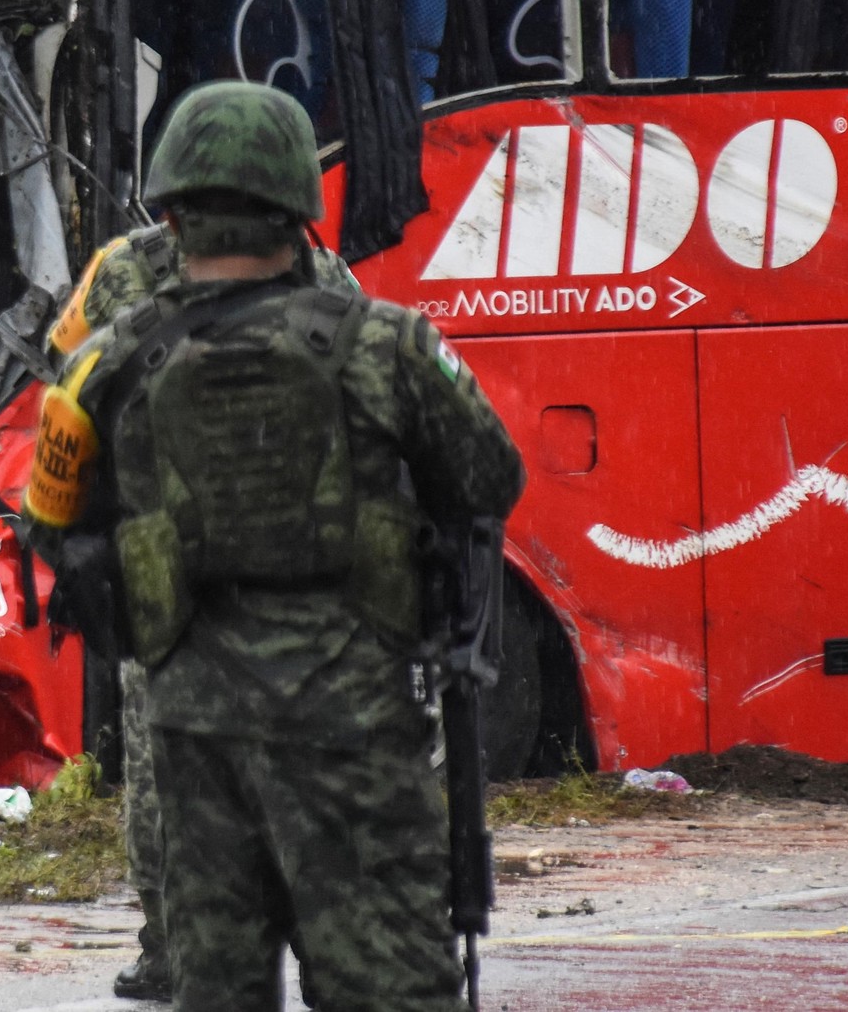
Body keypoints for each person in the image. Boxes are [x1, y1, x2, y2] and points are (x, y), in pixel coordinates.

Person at [29, 82, 524, 1012]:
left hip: (192, 742)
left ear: (172, 213)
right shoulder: (384, 344)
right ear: (303, 211)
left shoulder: (109, 361)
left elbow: (50, 525)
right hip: (356, 732)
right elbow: (491, 479)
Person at [47, 215, 362, 1003]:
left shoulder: (127, 264)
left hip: (167, 559)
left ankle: (172, 946)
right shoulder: (312, 262)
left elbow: (68, 369)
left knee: (167, 764)